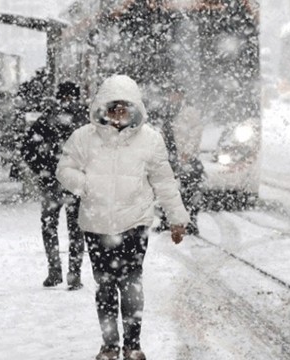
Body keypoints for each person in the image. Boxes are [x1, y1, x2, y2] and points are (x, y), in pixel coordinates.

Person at [56, 75, 189, 360]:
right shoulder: (83, 138)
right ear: (103, 109)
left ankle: (132, 345)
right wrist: (85, 185)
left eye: (124, 109)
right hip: (96, 223)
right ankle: (109, 345)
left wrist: (177, 218)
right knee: (105, 285)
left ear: (135, 110)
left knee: (130, 285)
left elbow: (164, 182)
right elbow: (64, 169)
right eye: (113, 108)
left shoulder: (150, 140)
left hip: (134, 224)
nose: (118, 115)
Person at [22, 81, 89, 290]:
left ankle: (55, 271)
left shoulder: (47, 119)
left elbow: (27, 147)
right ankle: (72, 274)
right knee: (75, 229)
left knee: (51, 227)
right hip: (73, 183)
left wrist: (41, 168)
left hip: (53, 181)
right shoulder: (84, 121)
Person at [159, 86, 205, 235]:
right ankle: (167, 220)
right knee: (167, 190)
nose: (172, 97)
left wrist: (188, 152)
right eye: (170, 94)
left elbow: (196, 131)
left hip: (185, 156)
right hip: (169, 155)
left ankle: (190, 221)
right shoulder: (167, 111)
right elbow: (163, 132)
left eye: (175, 94)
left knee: (189, 189)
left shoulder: (189, 112)